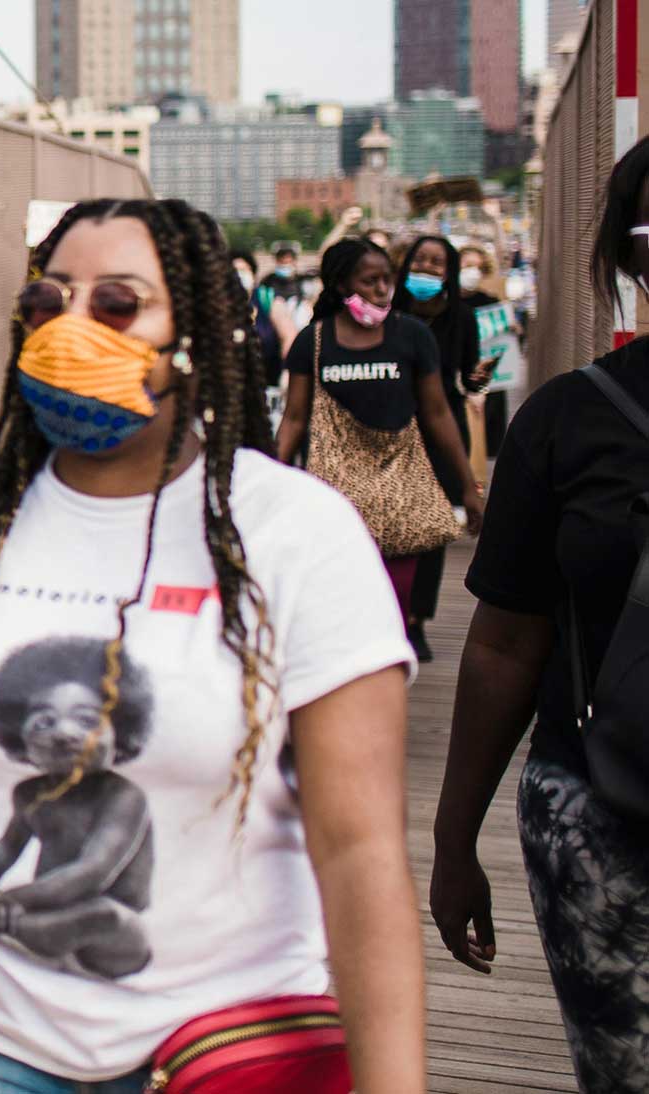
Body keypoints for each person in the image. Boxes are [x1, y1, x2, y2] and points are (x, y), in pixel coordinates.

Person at [0, 198, 427, 1093]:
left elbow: (362, 854)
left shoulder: (296, 534)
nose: (71, 328)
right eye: (48, 303)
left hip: (228, 1058)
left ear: (206, 333)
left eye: (117, 304)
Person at [431, 136, 649, 1091]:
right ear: (630, 258)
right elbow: (504, 644)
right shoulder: (566, 419)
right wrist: (452, 843)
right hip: (602, 808)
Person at [276, 239, 483, 623]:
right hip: (336, 490)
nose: (382, 289)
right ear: (341, 285)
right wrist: (275, 478)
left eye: (387, 279)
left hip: (400, 483)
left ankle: (406, 635)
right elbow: (294, 418)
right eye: (370, 281)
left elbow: (437, 412)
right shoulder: (314, 342)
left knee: (397, 597)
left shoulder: (413, 337)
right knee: (341, 592)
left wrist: (468, 487)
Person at [396, 235, 484, 662]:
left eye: (436, 264)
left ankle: (416, 621)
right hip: (391, 427)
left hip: (442, 429)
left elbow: (468, 378)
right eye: (421, 261)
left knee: (430, 529)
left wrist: (479, 379)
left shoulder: (463, 319)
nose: (427, 269)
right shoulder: (385, 310)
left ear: (448, 272)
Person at [460, 243, 514, 453]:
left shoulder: (490, 302)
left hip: (487, 379)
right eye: (467, 265)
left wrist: (511, 328)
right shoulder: (444, 303)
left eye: (477, 267)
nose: (472, 271)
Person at [231, 250, 297, 387]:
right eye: (235, 270)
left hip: (269, 383)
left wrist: (287, 371)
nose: (239, 275)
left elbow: (289, 337)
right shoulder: (219, 303)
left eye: (244, 270)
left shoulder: (266, 298)